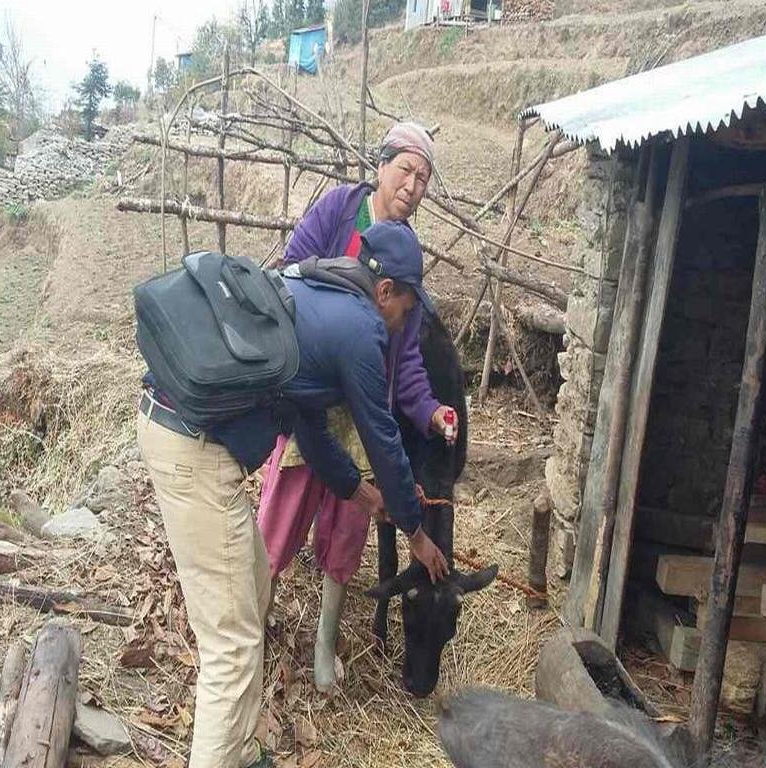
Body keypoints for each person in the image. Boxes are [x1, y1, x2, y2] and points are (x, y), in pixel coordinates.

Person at [136, 219, 448, 768]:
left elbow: (310, 428)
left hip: (179, 432)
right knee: (232, 651)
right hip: (196, 455)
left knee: (254, 587)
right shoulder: (362, 332)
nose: (406, 324)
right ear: (384, 292)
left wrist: (360, 495)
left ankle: (237, 751)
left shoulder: (312, 287)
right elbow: (384, 443)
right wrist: (417, 536)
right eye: (406, 309)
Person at [257, 122, 460, 692]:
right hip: (312, 392)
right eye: (405, 170)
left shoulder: (409, 262)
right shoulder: (338, 212)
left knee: (347, 532)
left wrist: (429, 413)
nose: (412, 185)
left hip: (366, 411)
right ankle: (255, 619)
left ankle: (324, 642)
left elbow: (409, 364)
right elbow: (286, 281)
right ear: (381, 166)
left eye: (423, 178)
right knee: (283, 515)